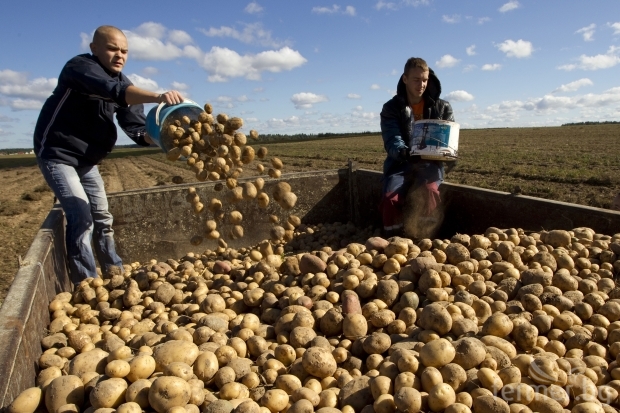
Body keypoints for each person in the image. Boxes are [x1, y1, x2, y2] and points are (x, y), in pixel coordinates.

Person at [33, 25, 184, 285]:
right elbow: (113, 91)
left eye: (124, 51)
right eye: (112, 48)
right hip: (58, 154)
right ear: (94, 48)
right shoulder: (79, 68)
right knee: (81, 215)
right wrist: (159, 96)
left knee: (103, 217)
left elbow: (137, 130)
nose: (119, 55)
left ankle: (114, 275)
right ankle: (87, 284)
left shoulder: (126, 85)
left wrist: (160, 137)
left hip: (88, 160)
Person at [379, 57, 454, 238]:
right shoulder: (391, 108)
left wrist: (449, 154)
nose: (421, 84)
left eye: (425, 80)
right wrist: (405, 152)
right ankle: (393, 240)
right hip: (401, 163)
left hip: (431, 163)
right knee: (390, 198)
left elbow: (449, 137)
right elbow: (392, 138)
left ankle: (426, 239)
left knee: (429, 192)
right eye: (416, 79)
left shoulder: (442, 107)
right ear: (405, 79)